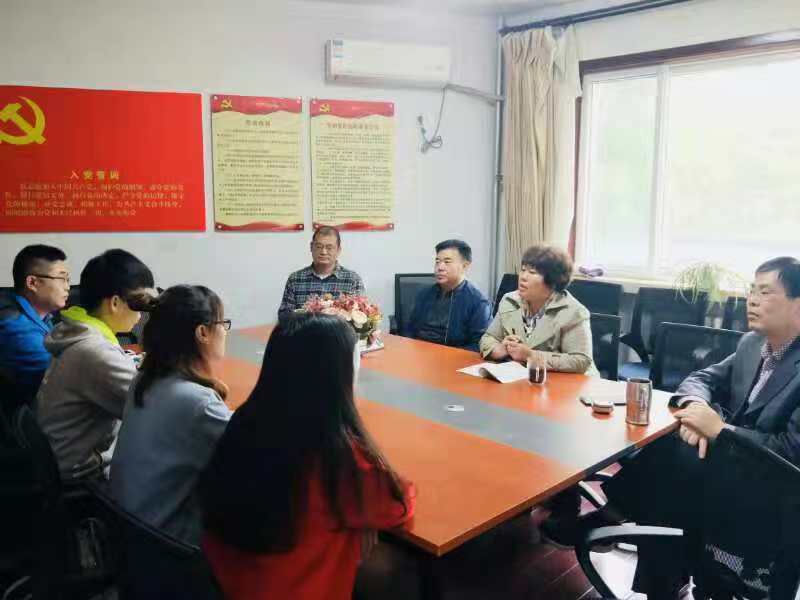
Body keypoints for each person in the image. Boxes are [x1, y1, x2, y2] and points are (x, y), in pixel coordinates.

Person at [542, 256, 800, 599]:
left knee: (671, 461)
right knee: (672, 463)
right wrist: (696, 410)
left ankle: (618, 522)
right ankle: (656, 577)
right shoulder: (752, 344)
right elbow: (701, 379)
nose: (751, 300)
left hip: (776, 487)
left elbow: (790, 451)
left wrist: (721, 431)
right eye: (752, 290)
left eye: (765, 292)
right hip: (727, 464)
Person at [199, 312, 416, 600]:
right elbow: (400, 507)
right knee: (402, 571)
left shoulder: (246, 420)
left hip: (229, 582)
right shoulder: (338, 456)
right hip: (294, 589)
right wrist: (362, 519)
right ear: (337, 374)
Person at [110, 285, 232, 546]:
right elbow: (256, 449)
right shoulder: (197, 402)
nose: (225, 331)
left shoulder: (145, 378)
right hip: (168, 547)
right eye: (223, 324)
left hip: (129, 530)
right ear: (202, 333)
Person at [36, 249, 155, 479]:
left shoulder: (78, 333)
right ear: (115, 303)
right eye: (140, 304)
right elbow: (154, 407)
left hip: (64, 459)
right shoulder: (94, 352)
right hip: (85, 475)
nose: (141, 315)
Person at [479, 244, 598, 376]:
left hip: (567, 383)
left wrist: (530, 355)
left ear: (553, 280)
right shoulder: (509, 301)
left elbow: (581, 360)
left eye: (532, 272)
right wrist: (500, 348)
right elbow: (488, 338)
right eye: (523, 270)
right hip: (521, 378)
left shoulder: (573, 311)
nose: (523, 277)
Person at [0, 245, 70, 403]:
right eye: (61, 279)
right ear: (32, 282)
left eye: (68, 280)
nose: (67, 287)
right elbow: (61, 377)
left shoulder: (40, 314)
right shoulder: (13, 327)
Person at [402, 239, 491, 351]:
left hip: (452, 357)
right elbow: (409, 329)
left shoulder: (478, 302)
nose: (440, 267)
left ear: (465, 266)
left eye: (447, 262)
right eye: (437, 261)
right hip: (419, 354)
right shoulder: (424, 294)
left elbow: (479, 345)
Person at [278, 226, 366, 317]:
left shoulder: (353, 280)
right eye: (319, 247)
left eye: (329, 248)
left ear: (338, 250)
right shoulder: (295, 279)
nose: (323, 252)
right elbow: (284, 316)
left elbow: (362, 316)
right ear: (311, 247)